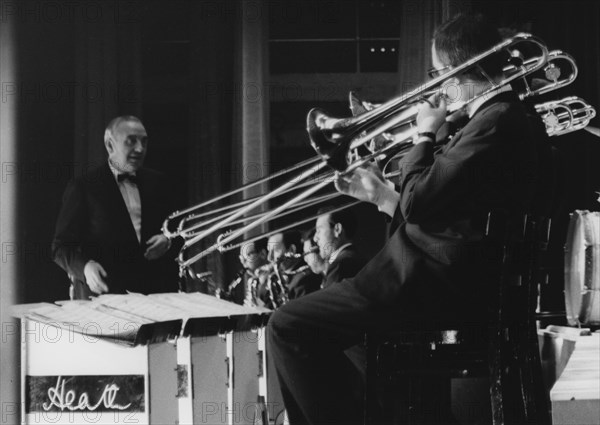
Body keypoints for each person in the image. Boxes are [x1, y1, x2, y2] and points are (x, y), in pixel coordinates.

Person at [266, 13, 550, 425]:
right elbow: (445, 212)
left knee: (287, 325)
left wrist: (424, 135)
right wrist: (382, 195)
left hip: (434, 287)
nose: (437, 84)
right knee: (352, 343)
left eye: (438, 73)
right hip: (448, 282)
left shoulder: (494, 122)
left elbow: (418, 203)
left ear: (456, 70)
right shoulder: (504, 120)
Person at [52, 116, 179, 299]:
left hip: (155, 296)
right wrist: (85, 267)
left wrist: (168, 240)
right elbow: (60, 247)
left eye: (144, 142)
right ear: (110, 145)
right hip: (105, 297)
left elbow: (179, 231)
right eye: (131, 141)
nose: (140, 149)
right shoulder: (84, 187)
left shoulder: (159, 183)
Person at [314, 207, 366, 288]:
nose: (315, 238)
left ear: (337, 230)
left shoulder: (341, 264)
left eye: (319, 230)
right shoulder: (352, 257)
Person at [219, 239, 269, 306]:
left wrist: (256, 305)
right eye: (241, 258)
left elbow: (273, 308)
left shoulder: (274, 279)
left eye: (247, 255)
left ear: (262, 254)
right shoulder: (254, 282)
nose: (243, 262)